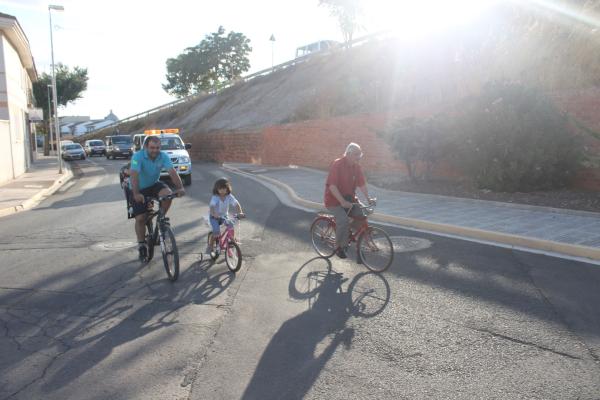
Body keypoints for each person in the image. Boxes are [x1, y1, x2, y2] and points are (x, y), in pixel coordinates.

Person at [129, 135, 185, 260]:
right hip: (138, 187)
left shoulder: (163, 156)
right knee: (141, 218)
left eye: (158, 147)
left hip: (153, 184)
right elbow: (133, 175)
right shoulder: (137, 157)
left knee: (168, 194)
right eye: (152, 148)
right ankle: (142, 244)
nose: (155, 150)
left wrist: (180, 187)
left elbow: (172, 172)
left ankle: (161, 219)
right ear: (145, 147)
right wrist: (136, 193)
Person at [324, 142, 374, 259]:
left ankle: (346, 233)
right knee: (343, 220)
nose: (358, 157)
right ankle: (338, 246)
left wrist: (368, 198)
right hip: (334, 201)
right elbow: (332, 186)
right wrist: (342, 201)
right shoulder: (337, 164)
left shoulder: (357, 167)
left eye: (360, 155)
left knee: (362, 214)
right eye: (356, 155)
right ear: (348, 153)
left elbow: (362, 184)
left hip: (350, 199)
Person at [207, 178, 244, 255]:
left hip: (224, 216)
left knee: (230, 226)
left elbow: (236, 203)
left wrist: (240, 212)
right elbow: (212, 206)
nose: (222, 190)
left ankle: (230, 245)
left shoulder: (229, 196)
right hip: (214, 217)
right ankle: (210, 246)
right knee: (216, 232)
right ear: (217, 189)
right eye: (220, 189)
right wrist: (214, 214)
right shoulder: (215, 197)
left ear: (227, 189)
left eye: (224, 188)